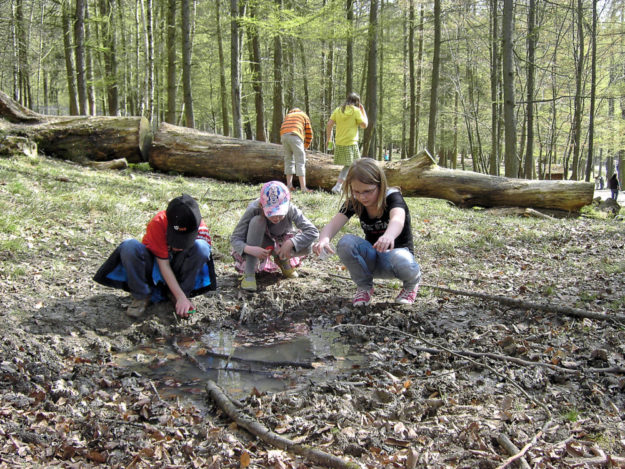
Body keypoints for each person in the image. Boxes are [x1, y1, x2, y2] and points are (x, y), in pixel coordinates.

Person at [313, 158, 421, 306]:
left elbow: (398, 219)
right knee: (346, 243)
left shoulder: (393, 197)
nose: (362, 197)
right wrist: (324, 239)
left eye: (368, 191)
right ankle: (364, 288)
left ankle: (411, 286)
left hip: (398, 262)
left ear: (380, 185)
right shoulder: (355, 202)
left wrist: (389, 235)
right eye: (356, 191)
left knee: (400, 257)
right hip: (372, 260)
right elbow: (333, 224)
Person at [94, 194, 216, 319]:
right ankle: (141, 295)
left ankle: (179, 295)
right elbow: (163, 264)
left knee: (202, 248)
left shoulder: (200, 228)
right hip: (155, 267)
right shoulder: (159, 222)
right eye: (176, 240)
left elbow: (198, 261)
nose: (179, 246)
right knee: (129, 246)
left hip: (180, 268)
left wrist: (181, 296)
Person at [231, 181, 319, 292]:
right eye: (271, 213)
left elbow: (313, 231)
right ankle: (249, 273)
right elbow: (235, 238)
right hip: (259, 243)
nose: (276, 217)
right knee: (257, 221)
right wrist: (250, 249)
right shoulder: (254, 209)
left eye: (280, 213)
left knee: (309, 246)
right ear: (262, 206)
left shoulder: (291, 208)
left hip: (280, 242)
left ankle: (282, 259)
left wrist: (291, 242)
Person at [325, 92, 368, 194]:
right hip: (351, 143)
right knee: (353, 166)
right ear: (357, 102)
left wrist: (329, 140)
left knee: (352, 166)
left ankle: (349, 188)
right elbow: (364, 125)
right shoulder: (356, 110)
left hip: (340, 142)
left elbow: (329, 124)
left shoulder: (338, 110)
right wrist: (363, 112)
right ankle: (338, 186)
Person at [280, 107, 313, 193]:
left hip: (284, 135)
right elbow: (309, 133)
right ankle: (303, 188)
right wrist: (306, 146)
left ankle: (289, 186)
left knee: (288, 160)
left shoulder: (288, 115)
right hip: (295, 135)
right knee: (300, 160)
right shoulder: (303, 115)